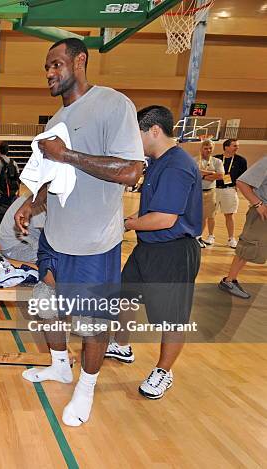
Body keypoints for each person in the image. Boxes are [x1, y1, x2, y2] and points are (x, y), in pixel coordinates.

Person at [14, 38, 144, 427]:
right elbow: (50, 180)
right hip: (55, 237)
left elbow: (131, 172)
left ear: (80, 61)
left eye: (57, 65)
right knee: (45, 306)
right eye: (47, 68)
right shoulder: (55, 122)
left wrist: (66, 154)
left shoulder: (113, 104)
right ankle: (60, 367)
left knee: (92, 324)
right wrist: (29, 203)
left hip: (93, 243)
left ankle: (85, 388)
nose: (51, 74)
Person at [120, 105, 202, 400]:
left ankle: (163, 372)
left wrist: (128, 224)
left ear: (154, 131)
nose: (133, 140)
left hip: (173, 251)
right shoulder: (156, 161)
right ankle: (121, 345)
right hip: (149, 247)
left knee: (172, 318)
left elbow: (164, 218)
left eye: (136, 134)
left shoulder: (177, 165)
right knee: (123, 296)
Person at [219, 156, 267, 299]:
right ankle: (229, 281)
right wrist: (258, 204)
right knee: (248, 247)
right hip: (262, 212)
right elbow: (241, 182)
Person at [214, 139, 248, 248]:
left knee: (229, 214)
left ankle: (231, 238)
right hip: (214, 189)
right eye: (234, 146)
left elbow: (243, 177)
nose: (237, 148)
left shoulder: (241, 160)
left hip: (229, 189)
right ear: (226, 147)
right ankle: (210, 236)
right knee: (210, 214)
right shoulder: (216, 159)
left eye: (237, 146)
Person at [0, 195, 46, 263]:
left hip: (24, 241)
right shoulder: (40, 201)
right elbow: (48, 235)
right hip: (15, 247)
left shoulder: (41, 194)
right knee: (54, 257)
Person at [195, 140, 224, 247]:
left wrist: (202, 174)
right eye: (206, 148)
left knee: (210, 215)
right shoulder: (195, 160)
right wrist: (212, 173)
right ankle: (196, 236)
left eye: (210, 148)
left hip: (211, 192)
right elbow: (194, 174)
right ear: (201, 148)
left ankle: (206, 236)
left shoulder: (217, 161)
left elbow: (220, 175)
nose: (208, 150)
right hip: (197, 192)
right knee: (198, 216)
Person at [0, 142, 20, 207]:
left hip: (1, 189)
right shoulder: (13, 162)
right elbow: (17, 177)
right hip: (12, 190)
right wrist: (18, 191)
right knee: (8, 209)